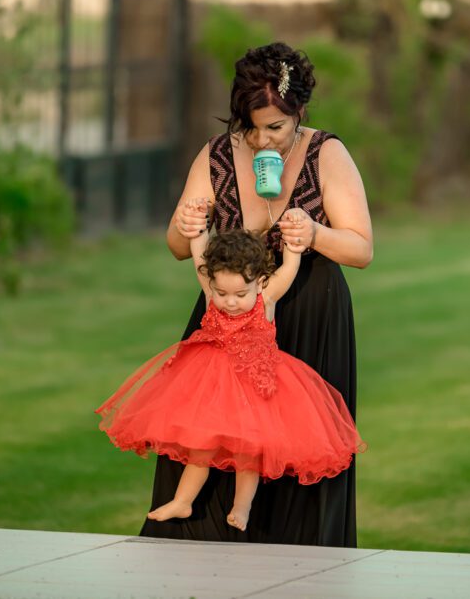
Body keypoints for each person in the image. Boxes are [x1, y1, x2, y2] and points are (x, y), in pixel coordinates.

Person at [141, 40, 373, 547]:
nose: (263, 139)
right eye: (251, 126)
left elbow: (360, 249)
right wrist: (183, 226)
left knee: (295, 461)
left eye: (277, 127)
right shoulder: (217, 154)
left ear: (299, 113)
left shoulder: (326, 153)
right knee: (203, 440)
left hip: (308, 317)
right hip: (226, 323)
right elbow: (181, 248)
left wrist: (313, 234)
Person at [96, 224, 364, 532]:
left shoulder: (265, 299)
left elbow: (290, 268)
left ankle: (242, 506)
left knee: (248, 454)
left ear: (260, 282)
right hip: (213, 384)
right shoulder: (213, 292)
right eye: (222, 293)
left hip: (255, 385)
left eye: (239, 294)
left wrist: (293, 246)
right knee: (200, 449)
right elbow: (200, 261)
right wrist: (198, 234)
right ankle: (183, 500)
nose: (230, 302)